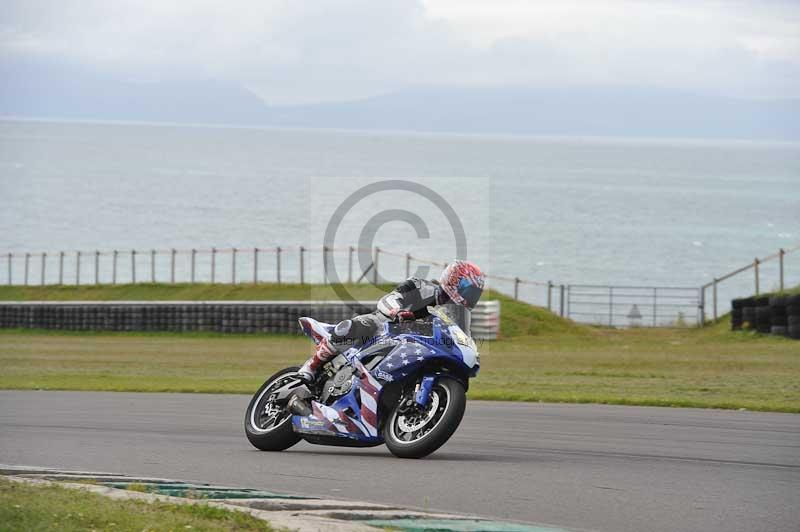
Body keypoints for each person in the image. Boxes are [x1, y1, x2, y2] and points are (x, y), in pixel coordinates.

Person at [297, 260, 485, 382]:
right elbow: (387, 300)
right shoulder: (420, 287)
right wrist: (397, 311)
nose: (471, 298)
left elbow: (461, 338)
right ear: (454, 281)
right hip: (385, 331)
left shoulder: (459, 315)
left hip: (418, 348)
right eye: (469, 291)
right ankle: (311, 367)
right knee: (365, 324)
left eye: (475, 294)